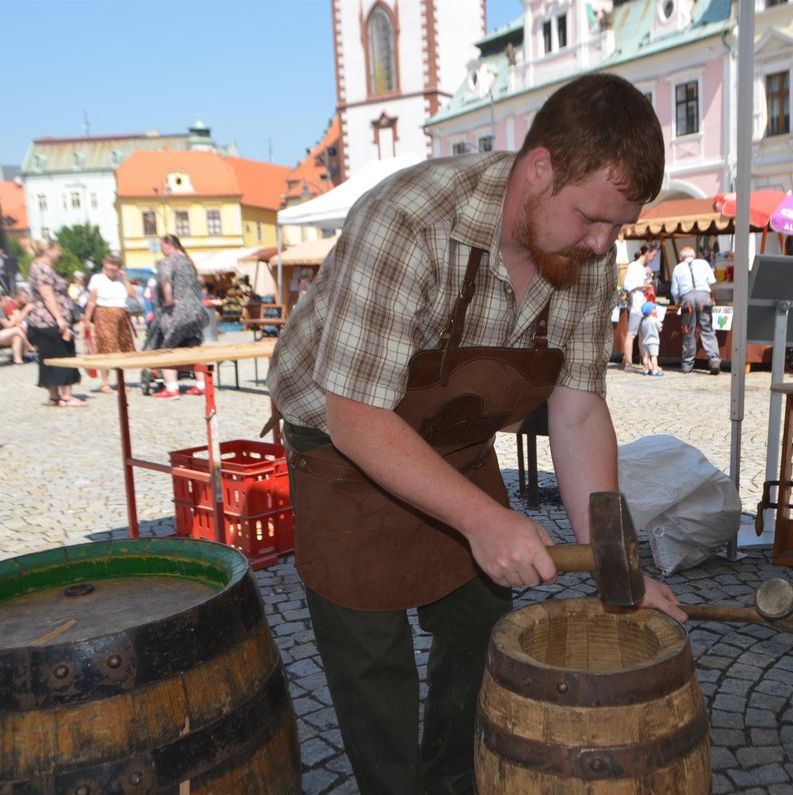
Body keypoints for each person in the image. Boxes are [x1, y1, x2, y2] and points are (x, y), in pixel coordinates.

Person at [267, 73, 684, 793]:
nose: (603, 243)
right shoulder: (407, 219)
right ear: (540, 168)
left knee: (480, 614)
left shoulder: (588, 255)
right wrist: (485, 519)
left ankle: (454, 775)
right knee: (372, 652)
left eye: (620, 225)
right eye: (591, 218)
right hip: (339, 441)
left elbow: (578, 410)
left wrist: (616, 563)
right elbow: (357, 415)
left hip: (452, 441)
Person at [25, 242, 86, 407]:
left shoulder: (37, 267)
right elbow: (47, 296)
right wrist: (60, 319)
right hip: (50, 320)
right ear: (49, 250)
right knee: (64, 355)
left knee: (49, 357)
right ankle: (67, 396)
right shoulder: (43, 269)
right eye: (57, 250)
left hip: (43, 320)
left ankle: (54, 396)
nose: (59, 253)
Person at [147, 235, 207, 399]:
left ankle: (172, 387)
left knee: (166, 348)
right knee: (193, 348)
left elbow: (165, 280)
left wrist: (167, 300)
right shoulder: (188, 261)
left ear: (168, 245)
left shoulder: (169, 261)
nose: (160, 249)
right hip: (195, 311)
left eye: (161, 245)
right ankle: (201, 385)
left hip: (177, 311)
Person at [81, 255, 137, 393]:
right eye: (109, 265)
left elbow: (132, 294)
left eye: (114, 266)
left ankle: (120, 380)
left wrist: (124, 278)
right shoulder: (97, 279)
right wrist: (87, 320)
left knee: (122, 348)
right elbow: (92, 300)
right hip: (104, 314)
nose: (111, 269)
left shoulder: (120, 280)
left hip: (121, 314)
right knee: (106, 347)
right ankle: (105, 382)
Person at [670, 246, 721, 374]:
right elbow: (712, 283)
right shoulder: (703, 263)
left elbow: (674, 291)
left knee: (688, 330)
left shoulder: (678, 268)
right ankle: (714, 360)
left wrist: (678, 301)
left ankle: (687, 364)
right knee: (707, 329)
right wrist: (712, 298)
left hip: (687, 299)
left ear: (681, 258)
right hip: (704, 297)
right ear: (694, 255)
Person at [620, 246, 653, 371]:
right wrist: (644, 285)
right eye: (652, 255)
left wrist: (648, 276)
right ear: (646, 253)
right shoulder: (633, 266)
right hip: (636, 304)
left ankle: (646, 362)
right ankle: (628, 363)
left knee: (642, 334)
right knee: (631, 334)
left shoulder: (642, 268)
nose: (653, 258)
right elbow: (628, 285)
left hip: (642, 303)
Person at [637, 300, 663, 376]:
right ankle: (655, 370)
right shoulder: (655, 320)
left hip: (645, 342)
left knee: (645, 357)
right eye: (654, 308)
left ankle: (646, 370)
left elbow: (641, 332)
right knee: (654, 356)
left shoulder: (643, 321)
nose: (655, 309)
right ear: (651, 311)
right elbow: (660, 329)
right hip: (654, 341)